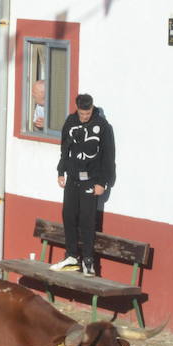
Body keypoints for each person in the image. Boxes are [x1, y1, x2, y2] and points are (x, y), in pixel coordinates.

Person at [54, 93, 116, 276]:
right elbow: (64, 148)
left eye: (87, 113)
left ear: (91, 109)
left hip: (91, 179)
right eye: (82, 113)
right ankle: (72, 256)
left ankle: (88, 259)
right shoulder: (71, 122)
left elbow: (108, 156)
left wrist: (103, 182)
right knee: (69, 215)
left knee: (87, 220)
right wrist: (60, 171)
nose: (84, 117)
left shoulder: (102, 126)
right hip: (72, 178)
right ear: (77, 109)